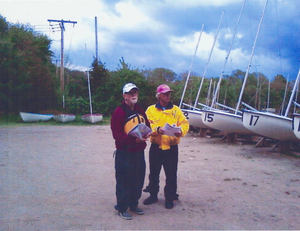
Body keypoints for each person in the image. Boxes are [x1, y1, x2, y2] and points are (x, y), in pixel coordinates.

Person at [143, 84, 189, 209]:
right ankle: (153, 195)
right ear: (158, 95)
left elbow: (184, 123)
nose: (168, 95)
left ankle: (169, 197)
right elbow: (146, 126)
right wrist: (157, 130)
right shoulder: (150, 110)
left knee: (171, 174)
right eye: (165, 93)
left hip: (171, 148)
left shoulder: (176, 110)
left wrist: (182, 132)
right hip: (156, 147)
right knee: (154, 173)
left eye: (169, 93)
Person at [111, 83, 151, 220]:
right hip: (124, 154)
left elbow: (147, 125)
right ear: (124, 96)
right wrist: (134, 141)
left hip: (138, 153)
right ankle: (122, 208)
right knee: (123, 181)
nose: (133, 95)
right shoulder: (119, 112)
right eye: (130, 93)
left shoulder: (140, 109)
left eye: (135, 92)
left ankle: (133, 204)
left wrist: (146, 134)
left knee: (138, 180)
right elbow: (117, 135)